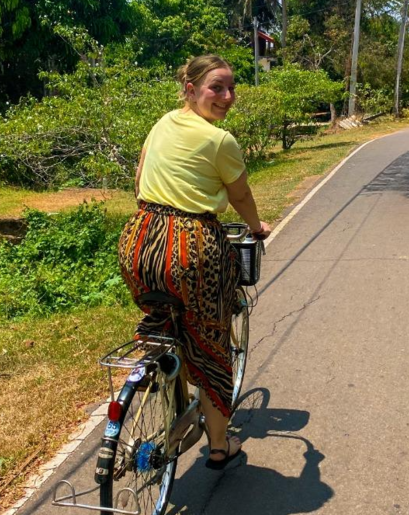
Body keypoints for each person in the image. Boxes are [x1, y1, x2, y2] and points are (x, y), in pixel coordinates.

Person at [118, 54, 271, 469]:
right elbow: (239, 197)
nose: (227, 96)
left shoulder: (163, 122)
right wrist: (256, 227)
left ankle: (165, 369)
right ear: (190, 89)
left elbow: (139, 178)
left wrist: (157, 220)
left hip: (139, 242)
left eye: (231, 88)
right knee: (213, 346)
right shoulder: (221, 141)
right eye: (216, 87)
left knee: (166, 323)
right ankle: (219, 446)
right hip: (192, 248)